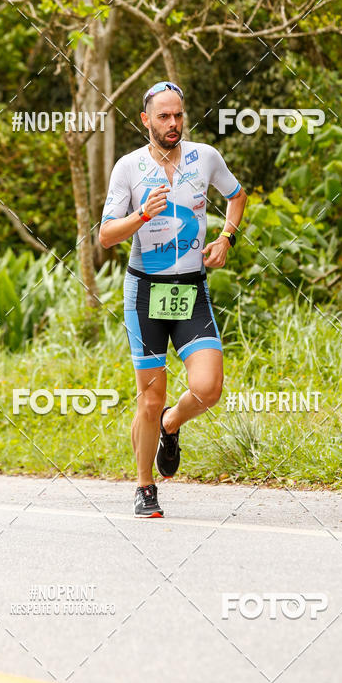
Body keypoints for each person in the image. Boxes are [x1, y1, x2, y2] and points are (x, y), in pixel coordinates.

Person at [98, 80, 247, 517]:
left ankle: (171, 422)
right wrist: (142, 214)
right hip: (145, 292)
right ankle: (145, 487)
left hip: (191, 289)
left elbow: (237, 196)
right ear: (146, 120)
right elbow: (106, 235)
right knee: (149, 396)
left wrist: (226, 237)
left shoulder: (206, 158)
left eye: (178, 115)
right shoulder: (128, 167)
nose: (173, 123)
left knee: (208, 387)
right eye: (164, 116)